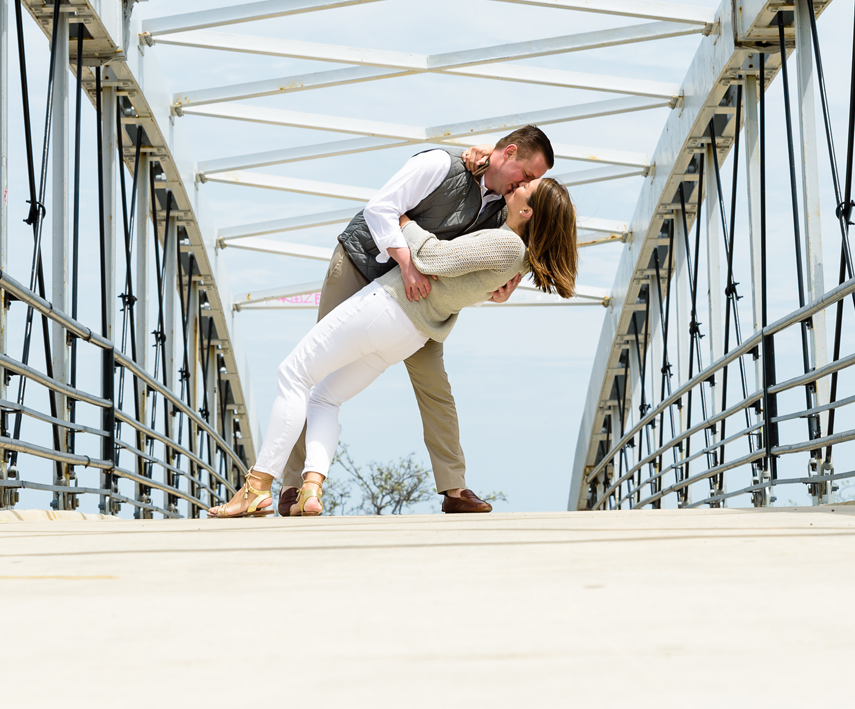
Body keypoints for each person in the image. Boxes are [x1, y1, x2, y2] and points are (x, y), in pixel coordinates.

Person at [209, 177, 578, 518]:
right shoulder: (519, 255)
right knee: (325, 398)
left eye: (528, 187)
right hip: (409, 334)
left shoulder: (506, 245)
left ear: (527, 212)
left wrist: (403, 222)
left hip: (388, 307)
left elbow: (433, 258)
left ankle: (257, 485)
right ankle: (310, 489)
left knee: (293, 373)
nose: (520, 184)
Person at [272, 126, 556, 517]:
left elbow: (507, 245)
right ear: (507, 153)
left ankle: (454, 488)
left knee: (435, 387)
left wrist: (512, 280)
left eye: (532, 182)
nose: (526, 184)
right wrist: (407, 264)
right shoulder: (442, 164)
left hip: (417, 303)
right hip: (362, 264)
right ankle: (292, 486)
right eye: (525, 175)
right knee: (315, 371)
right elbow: (380, 209)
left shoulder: (503, 209)